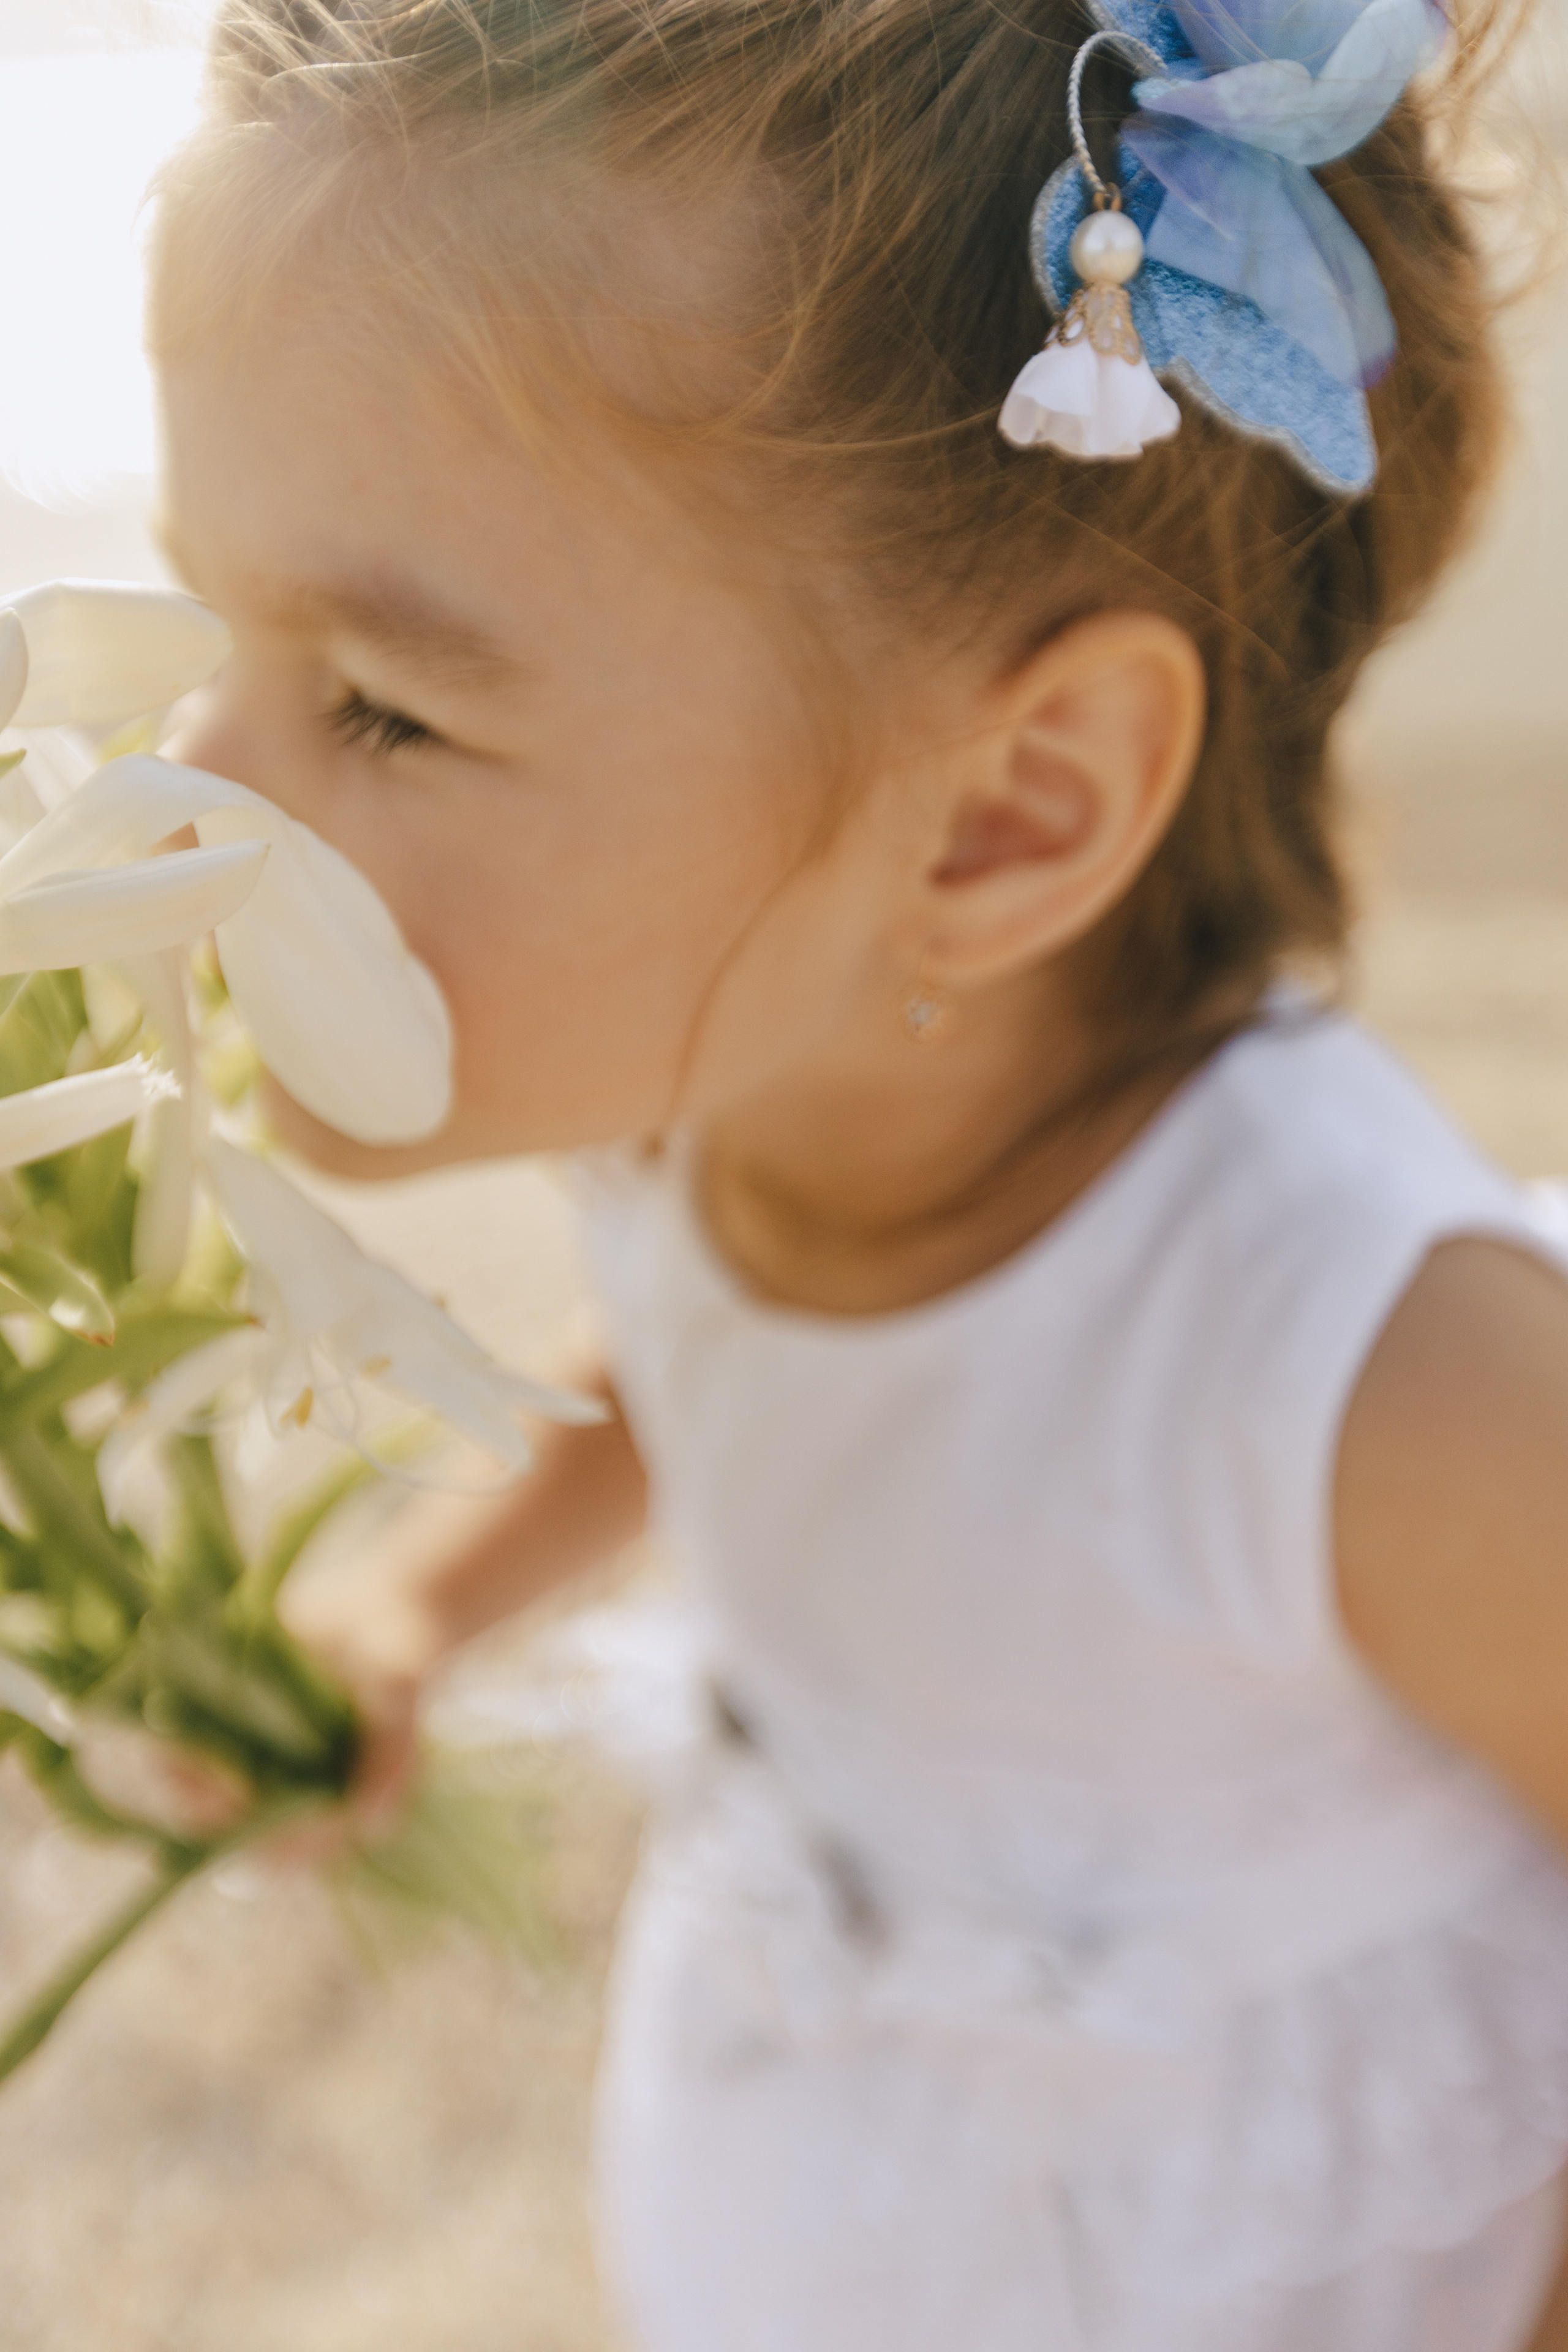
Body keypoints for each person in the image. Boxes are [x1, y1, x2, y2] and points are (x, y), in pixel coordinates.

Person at [145, 0, 1568, 2343]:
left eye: (383, 704)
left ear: (1009, 815)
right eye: (219, 626)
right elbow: (709, 1358)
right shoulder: (728, 1090)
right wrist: (426, 1595)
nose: (198, 783)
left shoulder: (1366, 1367)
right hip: (862, 2135)